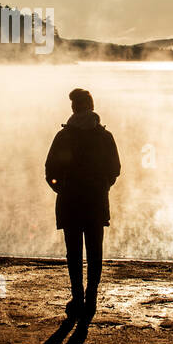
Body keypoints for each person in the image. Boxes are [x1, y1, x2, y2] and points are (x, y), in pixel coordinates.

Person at [45, 89, 121, 322]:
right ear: (91, 106)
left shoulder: (64, 137)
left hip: (70, 203)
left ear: (74, 108)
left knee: (74, 253)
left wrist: (62, 189)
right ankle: (92, 298)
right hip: (96, 203)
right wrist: (102, 187)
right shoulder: (104, 136)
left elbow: (50, 171)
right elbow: (115, 170)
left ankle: (77, 298)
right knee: (95, 252)